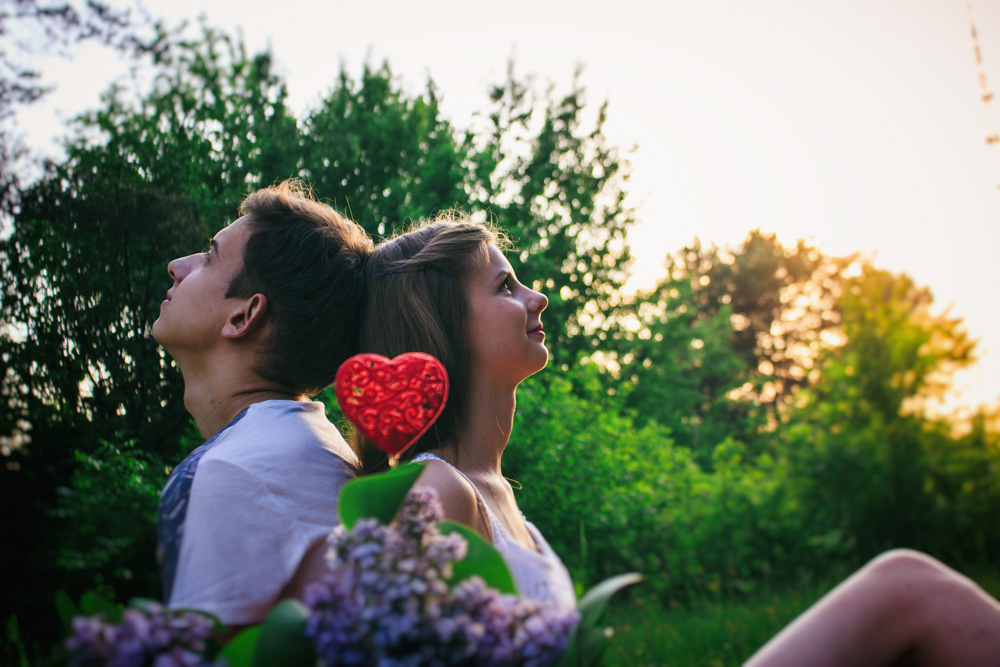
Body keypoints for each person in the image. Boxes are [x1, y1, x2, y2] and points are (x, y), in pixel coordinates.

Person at [151, 180, 373, 626]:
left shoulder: (229, 471)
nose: (177, 266)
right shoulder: (317, 453)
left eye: (210, 256)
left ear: (244, 315)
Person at [353, 218, 577, 611]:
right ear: (444, 320)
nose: (538, 297)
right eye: (505, 286)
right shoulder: (438, 494)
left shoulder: (492, 488)